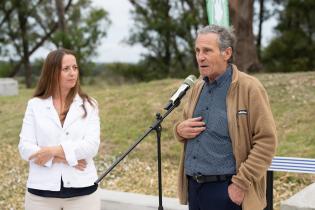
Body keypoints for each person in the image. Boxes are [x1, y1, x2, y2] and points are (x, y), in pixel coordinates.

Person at [174, 25, 277, 210]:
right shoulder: (197, 87)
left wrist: (239, 186)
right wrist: (179, 130)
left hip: (226, 191)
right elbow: (183, 126)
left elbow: (266, 142)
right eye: (197, 51)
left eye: (207, 50)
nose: (200, 57)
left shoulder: (249, 88)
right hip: (195, 189)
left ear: (226, 53)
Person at [18, 49, 100, 210]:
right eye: (66, 69)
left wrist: (49, 151)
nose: (72, 73)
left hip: (83, 192)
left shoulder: (90, 105)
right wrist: (64, 158)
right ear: (52, 72)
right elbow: (25, 148)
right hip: (41, 194)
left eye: (75, 68)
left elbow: (91, 146)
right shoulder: (35, 105)